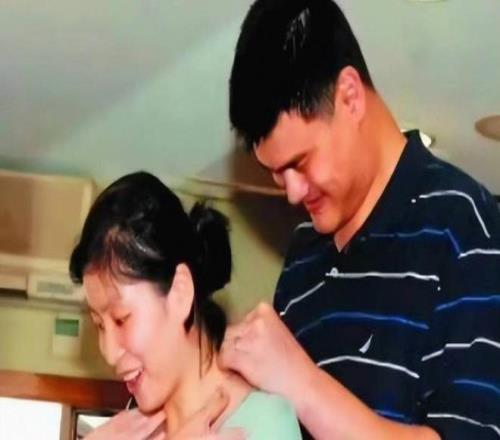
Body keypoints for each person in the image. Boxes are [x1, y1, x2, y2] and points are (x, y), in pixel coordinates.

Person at [218, 0, 500, 439]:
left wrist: (301, 382)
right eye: (276, 173)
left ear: (349, 96)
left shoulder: (465, 225)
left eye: (300, 163)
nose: (292, 192)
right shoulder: (303, 256)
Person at [69, 171, 302, 440]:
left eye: (121, 319)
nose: (109, 353)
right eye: (99, 325)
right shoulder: (128, 431)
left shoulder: (264, 423)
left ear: (180, 292)